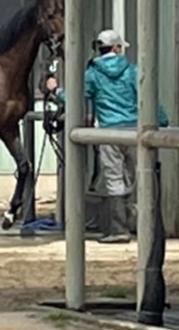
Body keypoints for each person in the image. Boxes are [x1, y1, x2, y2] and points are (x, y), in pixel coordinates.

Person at [46, 28, 168, 243]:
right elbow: (148, 98)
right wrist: (162, 121)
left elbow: (74, 99)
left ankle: (118, 230)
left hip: (108, 132)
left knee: (114, 179)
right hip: (135, 131)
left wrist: (55, 91)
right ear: (117, 47)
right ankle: (145, 226)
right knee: (140, 176)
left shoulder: (92, 74)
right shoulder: (133, 71)